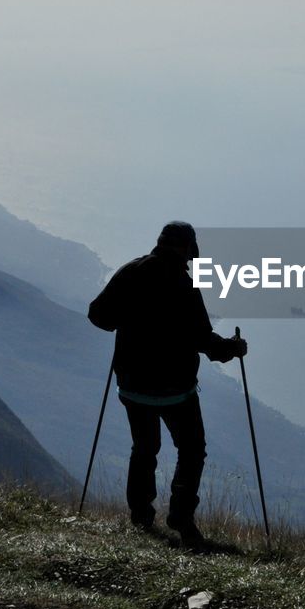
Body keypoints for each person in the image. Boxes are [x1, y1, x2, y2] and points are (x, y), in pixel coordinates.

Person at [88, 221, 246, 548]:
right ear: (188, 248)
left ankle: (141, 515)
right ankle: (181, 517)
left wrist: (127, 319)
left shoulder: (130, 272)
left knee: (144, 449)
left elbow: (98, 315)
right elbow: (205, 341)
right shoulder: (185, 284)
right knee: (191, 450)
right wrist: (233, 348)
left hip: (132, 385)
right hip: (176, 390)